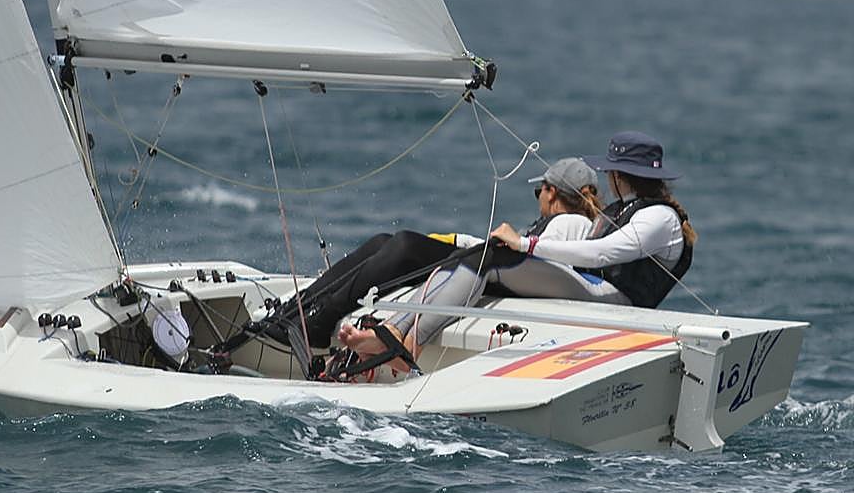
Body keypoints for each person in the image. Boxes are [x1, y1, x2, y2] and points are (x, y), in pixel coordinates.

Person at [338, 131, 695, 368]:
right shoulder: (629, 208)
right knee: (479, 258)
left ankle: (408, 345)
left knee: (494, 256)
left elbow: (602, 255)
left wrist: (525, 244)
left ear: (619, 175)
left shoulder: (660, 217)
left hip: (614, 300)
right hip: (591, 288)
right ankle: (394, 334)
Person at [259, 157, 601, 348]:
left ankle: (318, 318)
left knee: (405, 245)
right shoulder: (562, 222)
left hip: (500, 279)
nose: (538, 198)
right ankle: (301, 309)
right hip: (492, 267)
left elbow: (543, 267)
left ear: (552, 193)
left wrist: (461, 244)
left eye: (539, 191)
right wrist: (458, 241)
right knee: (383, 242)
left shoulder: (572, 224)